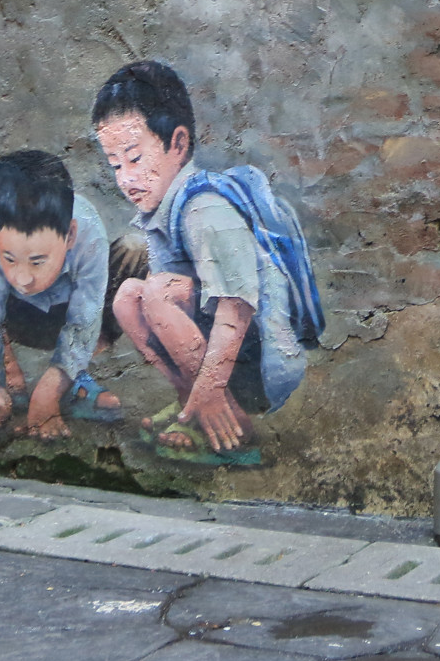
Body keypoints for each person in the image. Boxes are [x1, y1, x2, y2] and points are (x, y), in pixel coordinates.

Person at [92, 61, 325, 468]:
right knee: (128, 295)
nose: (126, 178)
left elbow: (237, 307)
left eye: (134, 158)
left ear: (177, 145)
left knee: (157, 292)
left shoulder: (204, 209)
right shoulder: (161, 213)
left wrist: (211, 387)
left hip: (262, 361)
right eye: (115, 165)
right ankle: (194, 410)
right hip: (220, 353)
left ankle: (227, 420)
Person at [0, 149, 148, 439]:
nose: (23, 277)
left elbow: (85, 319)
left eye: (37, 261)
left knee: (137, 249)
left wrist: (47, 393)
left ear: (69, 236)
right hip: (16, 319)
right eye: (9, 259)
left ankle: (73, 381)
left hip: (73, 320)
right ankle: (11, 381)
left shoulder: (88, 233)